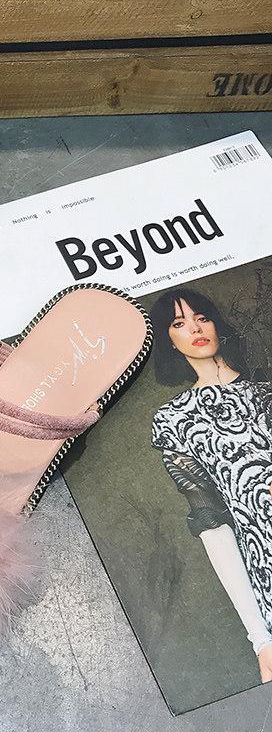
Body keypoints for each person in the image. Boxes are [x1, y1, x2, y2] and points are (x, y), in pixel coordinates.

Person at [150, 288, 272, 683]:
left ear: (217, 323)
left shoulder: (267, 390)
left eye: (201, 317)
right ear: (169, 340)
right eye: (179, 323)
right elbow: (213, 528)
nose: (195, 328)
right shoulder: (174, 421)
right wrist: (260, 639)